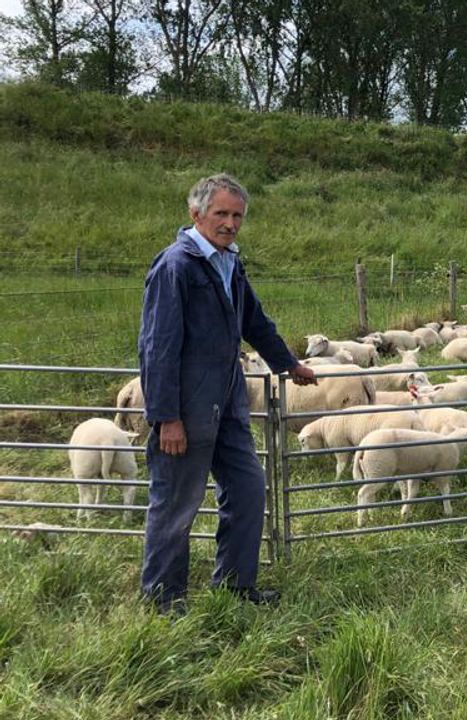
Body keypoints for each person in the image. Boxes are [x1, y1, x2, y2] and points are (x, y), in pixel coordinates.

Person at [138, 174, 317, 613]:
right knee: (177, 502)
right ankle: (163, 599)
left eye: (237, 215)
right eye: (221, 213)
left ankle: (235, 585)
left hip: (229, 401)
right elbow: (157, 347)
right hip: (188, 407)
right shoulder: (176, 266)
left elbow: (253, 319)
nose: (230, 223)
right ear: (195, 213)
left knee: (247, 487)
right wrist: (166, 417)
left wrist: (287, 363)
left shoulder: (229, 263)